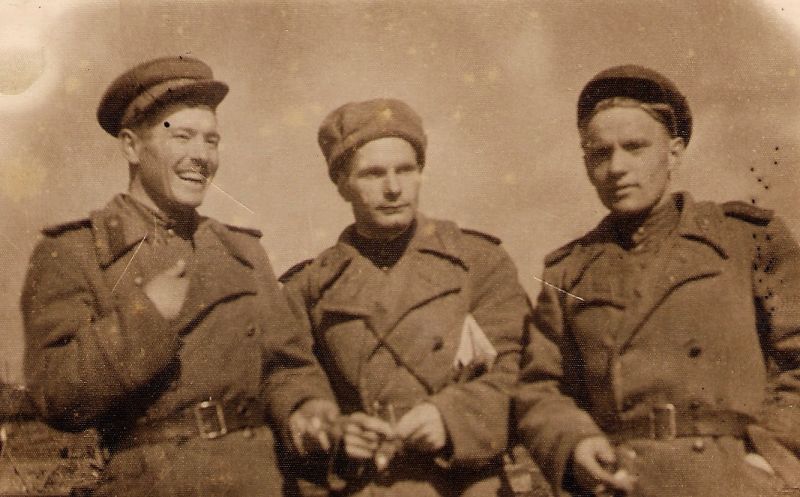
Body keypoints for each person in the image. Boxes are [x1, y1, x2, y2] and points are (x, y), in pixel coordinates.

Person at [21, 55, 337, 496]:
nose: (201, 156)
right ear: (131, 147)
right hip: (154, 483)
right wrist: (145, 318)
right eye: (182, 136)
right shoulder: (75, 252)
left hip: (259, 480)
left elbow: (288, 367)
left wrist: (306, 408)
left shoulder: (244, 252)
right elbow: (55, 395)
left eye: (211, 140)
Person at [515, 64, 800, 497]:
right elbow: (541, 387)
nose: (617, 167)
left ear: (674, 152)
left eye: (635, 147)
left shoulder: (745, 240)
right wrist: (575, 444)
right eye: (600, 153)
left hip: (733, 482)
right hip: (624, 483)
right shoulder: (568, 272)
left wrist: (769, 455)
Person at [280, 98, 534, 496]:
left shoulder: (477, 262)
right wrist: (333, 429)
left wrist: (450, 418)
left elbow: (520, 372)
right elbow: (291, 380)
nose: (393, 188)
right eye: (373, 173)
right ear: (342, 184)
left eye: (406, 169)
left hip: (466, 484)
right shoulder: (310, 287)